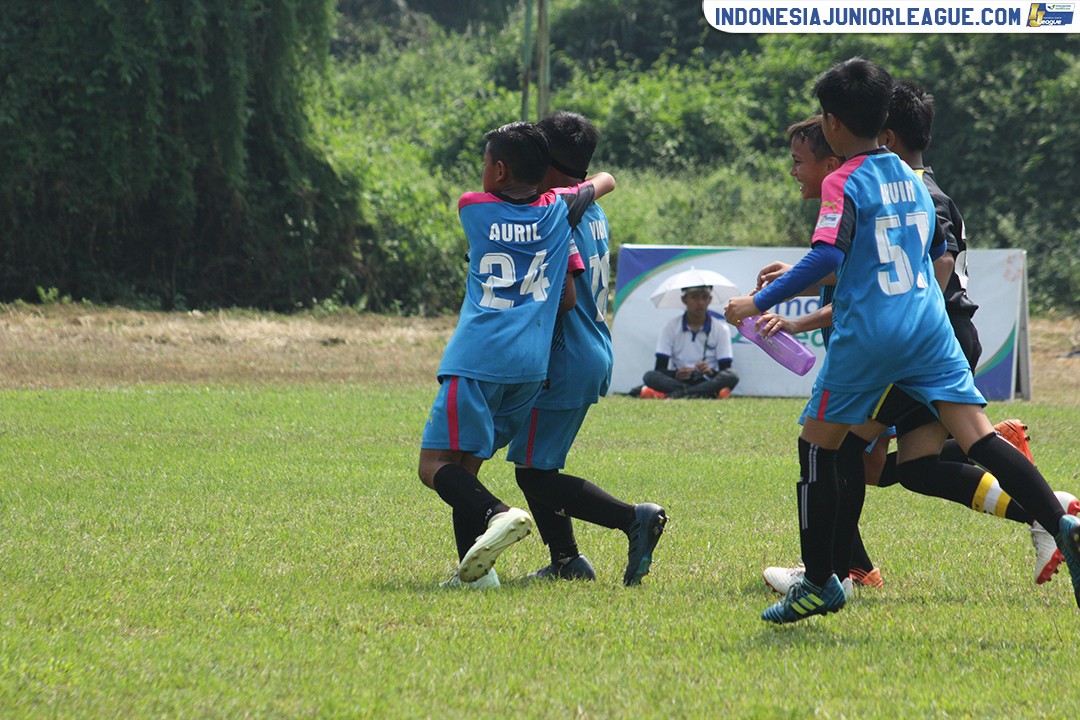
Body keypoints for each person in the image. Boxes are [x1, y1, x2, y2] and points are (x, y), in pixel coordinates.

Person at [724, 57, 1080, 624]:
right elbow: (917, 259)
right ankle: (1063, 524)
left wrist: (757, 304)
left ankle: (821, 582)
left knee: (818, 446)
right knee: (979, 440)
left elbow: (827, 255)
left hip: (873, 337)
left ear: (833, 123)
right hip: (929, 329)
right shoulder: (914, 181)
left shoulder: (844, 179)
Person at [418, 121, 615, 589]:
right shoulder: (556, 214)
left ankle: (498, 514)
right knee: (468, 463)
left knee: (434, 467)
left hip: (478, 356)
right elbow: (601, 182)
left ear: (500, 170)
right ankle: (475, 576)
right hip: (530, 368)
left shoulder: (474, 207)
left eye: (486, 163)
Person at [506, 111, 667, 587]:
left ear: (549, 164)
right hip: (592, 348)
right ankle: (566, 562)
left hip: (564, 356)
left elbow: (555, 294)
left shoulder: (554, 209)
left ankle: (632, 518)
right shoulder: (588, 206)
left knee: (533, 473)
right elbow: (602, 180)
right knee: (538, 464)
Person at [638, 285, 739, 399]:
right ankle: (702, 394)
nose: (700, 302)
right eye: (695, 297)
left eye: (705, 297)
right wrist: (675, 374)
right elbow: (659, 369)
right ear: (684, 300)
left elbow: (725, 369)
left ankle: (679, 394)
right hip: (679, 381)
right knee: (650, 376)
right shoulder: (670, 327)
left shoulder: (720, 328)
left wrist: (709, 372)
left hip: (706, 381)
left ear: (710, 299)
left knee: (732, 376)